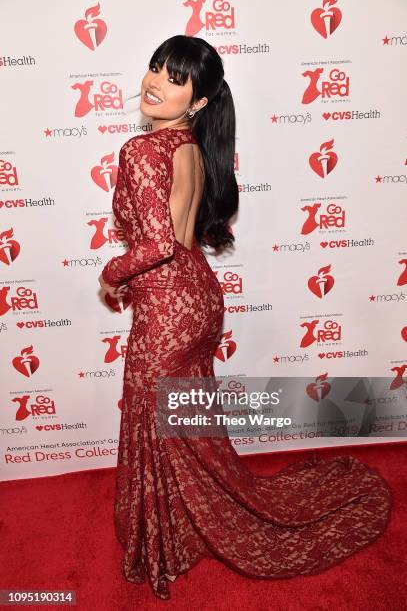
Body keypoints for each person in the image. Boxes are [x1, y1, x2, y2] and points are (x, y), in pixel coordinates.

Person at [98, 35, 392, 601]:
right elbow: (180, 241)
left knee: (158, 420)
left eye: (175, 77)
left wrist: (113, 272)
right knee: (183, 422)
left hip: (167, 308)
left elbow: (157, 243)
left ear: (199, 100)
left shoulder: (142, 150)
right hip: (199, 300)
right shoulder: (192, 148)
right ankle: (185, 522)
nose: (156, 81)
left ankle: (170, 536)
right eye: (155, 67)